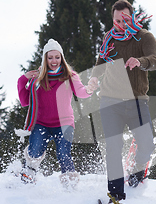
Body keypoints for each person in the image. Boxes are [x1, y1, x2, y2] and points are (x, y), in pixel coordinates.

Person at [91, 0, 156, 203]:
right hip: (109, 100)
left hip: (136, 100)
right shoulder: (109, 37)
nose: (121, 25)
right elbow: (101, 61)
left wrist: (140, 62)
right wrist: (95, 77)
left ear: (132, 17)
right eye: (116, 21)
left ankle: (137, 173)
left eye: (125, 20)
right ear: (112, 20)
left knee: (147, 144)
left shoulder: (144, 37)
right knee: (112, 146)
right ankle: (115, 195)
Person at [17, 38, 98, 187]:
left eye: (57, 57)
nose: (54, 60)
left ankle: (70, 186)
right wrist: (23, 80)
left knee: (63, 154)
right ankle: (26, 178)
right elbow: (24, 101)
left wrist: (89, 89)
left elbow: (81, 91)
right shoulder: (38, 79)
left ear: (61, 58)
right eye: (50, 57)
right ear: (45, 59)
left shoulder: (70, 76)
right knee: (34, 150)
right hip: (41, 123)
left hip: (64, 123)